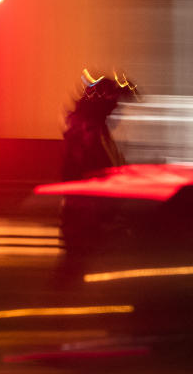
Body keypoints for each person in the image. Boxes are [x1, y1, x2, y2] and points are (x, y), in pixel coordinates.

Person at [57, 68, 139, 280]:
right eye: (114, 107)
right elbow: (90, 175)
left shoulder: (96, 132)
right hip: (87, 223)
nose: (117, 113)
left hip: (93, 221)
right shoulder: (86, 135)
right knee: (78, 278)